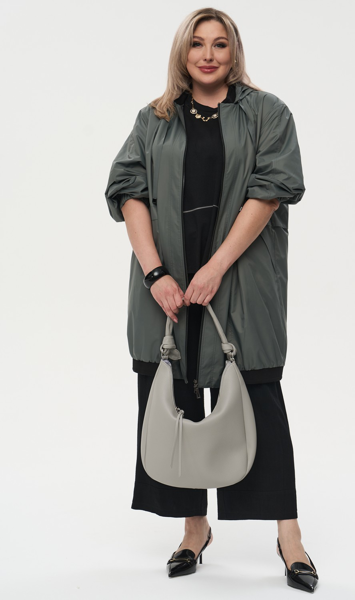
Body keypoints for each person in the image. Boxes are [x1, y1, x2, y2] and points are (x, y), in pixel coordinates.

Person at [104, 7, 319, 593]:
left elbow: (271, 190)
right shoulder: (154, 119)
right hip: (166, 284)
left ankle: (290, 537)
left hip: (240, 279)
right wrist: (156, 274)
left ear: (234, 51)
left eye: (219, 44)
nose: (207, 54)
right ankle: (194, 530)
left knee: (257, 398)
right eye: (197, 43)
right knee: (172, 397)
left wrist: (216, 267)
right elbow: (128, 190)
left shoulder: (268, 113)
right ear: (183, 51)